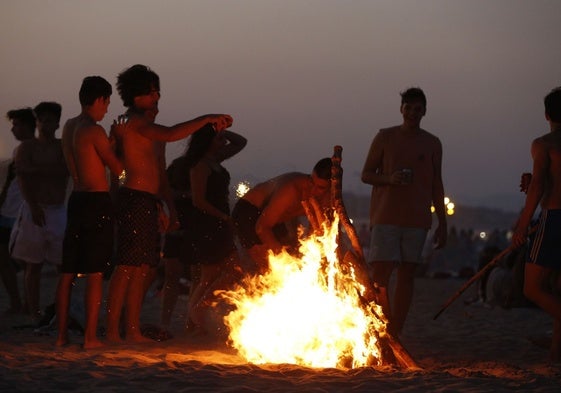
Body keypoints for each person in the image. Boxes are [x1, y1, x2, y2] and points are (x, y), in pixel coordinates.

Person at [105, 64, 233, 343]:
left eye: (157, 91)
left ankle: (132, 329)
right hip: (134, 198)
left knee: (144, 268)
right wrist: (207, 118)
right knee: (127, 266)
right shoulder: (132, 122)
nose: (156, 97)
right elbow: (172, 133)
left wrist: (170, 209)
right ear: (135, 95)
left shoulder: (145, 128)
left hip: (148, 200)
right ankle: (115, 330)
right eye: (151, 93)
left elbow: (160, 173)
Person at [361, 87, 447, 336]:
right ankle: (378, 327)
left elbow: (436, 184)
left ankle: (395, 332)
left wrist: (442, 222)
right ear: (401, 109)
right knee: (380, 275)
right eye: (408, 108)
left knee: (407, 274)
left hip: (417, 218)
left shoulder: (432, 143)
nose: (412, 113)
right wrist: (390, 178)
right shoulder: (385, 137)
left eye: (417, 109)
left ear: (424, 112)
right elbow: (367, 174)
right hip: (386, 216)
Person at [55, 76, 125, 348]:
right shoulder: (93, 130)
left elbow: (88, 157)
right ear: (99, 100)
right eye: (106, 103)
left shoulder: (69, 127)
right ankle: (90, 337)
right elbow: (117, 168)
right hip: (96, 201)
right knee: (95, 272)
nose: (106, 109)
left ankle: (61, 337)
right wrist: (117, 141)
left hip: (76, 200)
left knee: (68, 272)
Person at [173, 124, 246, 334]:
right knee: (209, 275)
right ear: (207, 142)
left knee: (229, 270)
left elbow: (241, 142)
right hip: (207, 223)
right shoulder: (200, 166)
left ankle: (196, 316)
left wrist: (221, 130)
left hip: (221, 223)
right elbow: (198, 200)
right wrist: (223, 216)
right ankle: (195, 318)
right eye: (218, 139)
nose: (223, 142)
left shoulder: (216, 160)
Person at [512, 86, 561, 362]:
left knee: (532, 288)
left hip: (555, 218)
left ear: (546, 115)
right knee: (557, 289)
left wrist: (522, 224)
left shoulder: (544, 144)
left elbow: (540, 185)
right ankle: (556, 354)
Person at [10, 101, 69, 324]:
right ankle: (33, 312)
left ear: (56, 123)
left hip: (57, 208)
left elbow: (64, 170)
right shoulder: (27, 148)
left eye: (49, 120)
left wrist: (35, 169)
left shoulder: (62, 146)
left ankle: (59, 309)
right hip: (35, 208)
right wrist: (33, 206)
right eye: (41, 120)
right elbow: (23, 177)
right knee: (33, 264)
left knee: (63, 264)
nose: (45, 124)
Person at [231, 158, 332, 272]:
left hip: (275, 221)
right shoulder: (292, 189)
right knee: (272, 269)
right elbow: (261, 228)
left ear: (331, 187)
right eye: (311, 182)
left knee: (292, 253)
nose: (313, 189)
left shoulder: (328, 201)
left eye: (320, 188)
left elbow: (314, 233)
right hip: (250, 213)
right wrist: (285, 260)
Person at [0, 108, 36, 314]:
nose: (13, 129)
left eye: (17, 124)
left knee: (27, 261)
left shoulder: (32, 150)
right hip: (8, 211)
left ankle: (26, 304)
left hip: (20, 213)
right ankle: (17, 303)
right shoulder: (19, 150)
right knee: (5, 260)